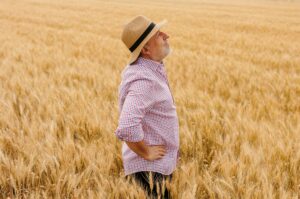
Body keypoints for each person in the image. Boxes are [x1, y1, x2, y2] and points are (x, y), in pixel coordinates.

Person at [114, 15, 180, 198]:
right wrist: (146, 152)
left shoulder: (149, 70)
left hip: (155, 168)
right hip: (150, 172)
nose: (166, 35)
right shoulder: (144, 81)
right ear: (145, 49)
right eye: (158, 34)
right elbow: (126, 126)